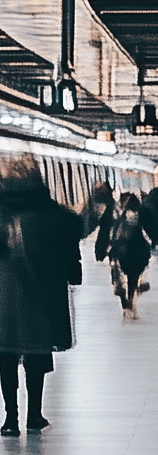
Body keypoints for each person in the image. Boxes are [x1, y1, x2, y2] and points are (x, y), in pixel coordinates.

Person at [0, 153, 83, 435]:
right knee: (37, 352)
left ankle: (10, 419)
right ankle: (34, 414)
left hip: (5, 294)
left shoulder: (2, 213)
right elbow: (71, 240)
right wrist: (74, 272)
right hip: (42, 292)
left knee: (6, 355)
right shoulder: (53, 214)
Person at [105, 192, 152, 317]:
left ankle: (125, 302)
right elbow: (150, 236)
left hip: (121, 251)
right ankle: (130, 300)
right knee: (133, 278)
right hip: (137, 252)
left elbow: (112, 235)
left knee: (119, 279)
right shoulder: (143, 216)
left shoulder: (119, 217)